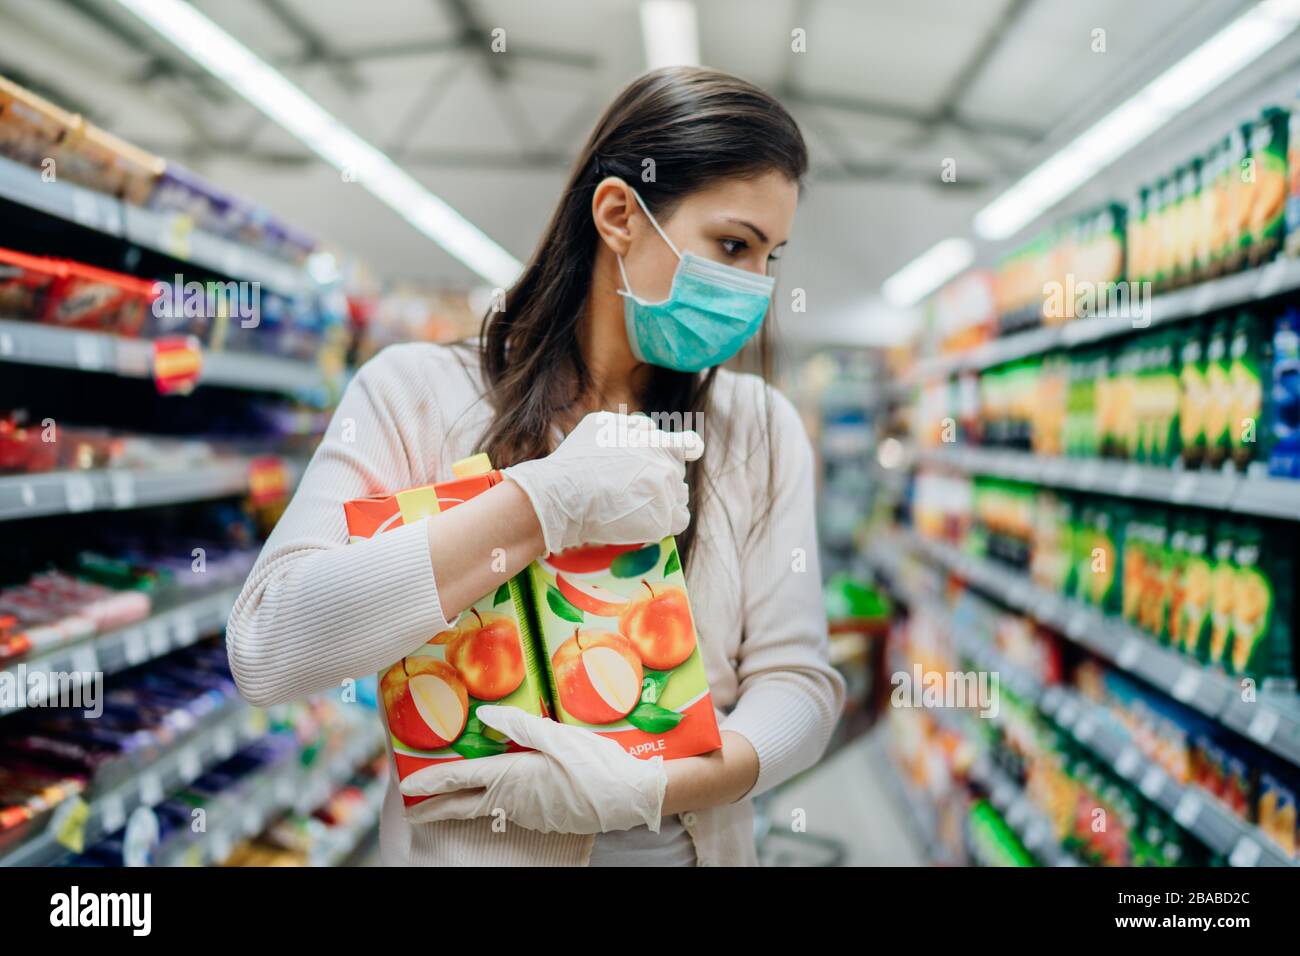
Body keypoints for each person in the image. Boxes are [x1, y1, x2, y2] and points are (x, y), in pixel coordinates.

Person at [226, 65, 845, 867]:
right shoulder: (416, 396)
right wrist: (538, 506)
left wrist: (655, 787)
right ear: (620, 214)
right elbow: (270, 645)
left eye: (770, 258)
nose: (754, 288)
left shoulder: (758, 433)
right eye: (731, 245)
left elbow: (800, 682)